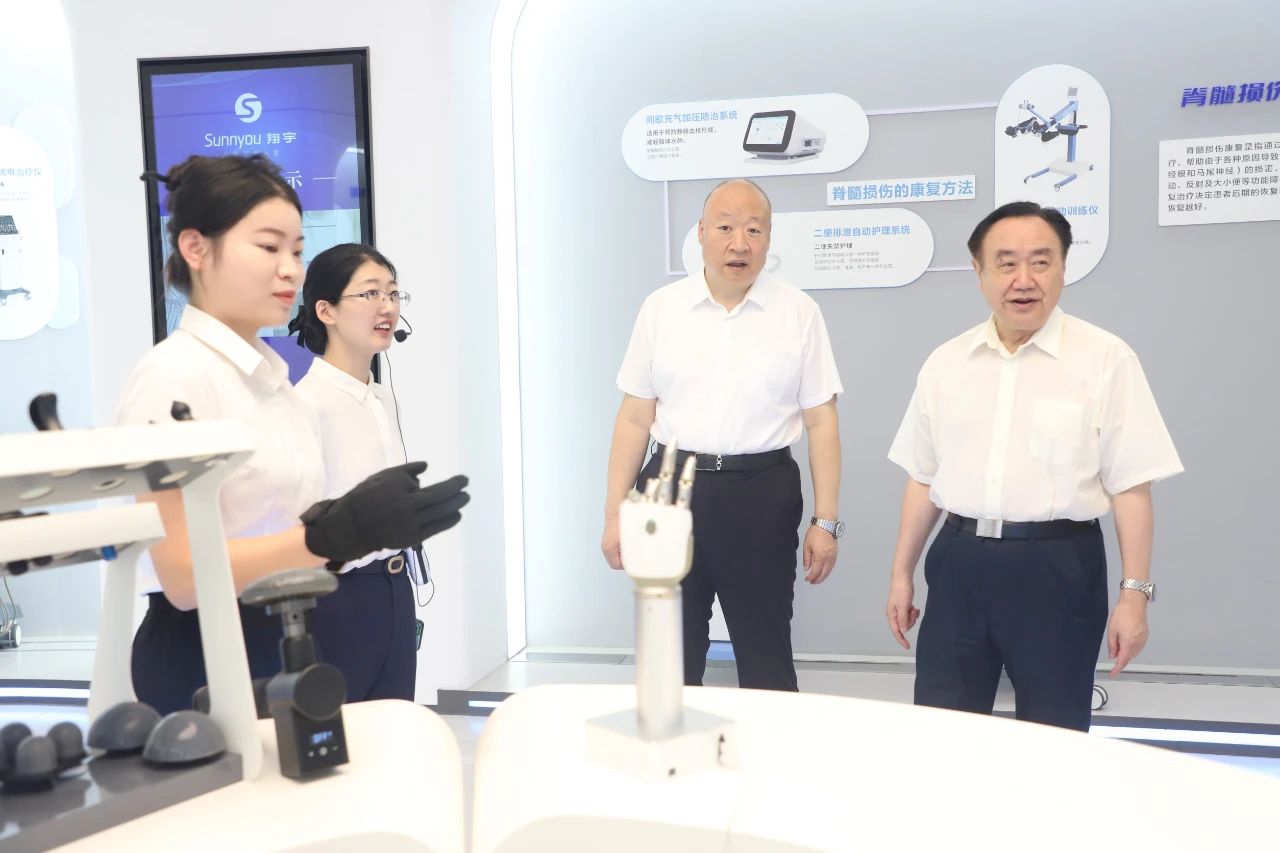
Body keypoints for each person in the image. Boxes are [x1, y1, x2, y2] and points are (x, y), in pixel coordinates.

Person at [118, 154, 468, 714]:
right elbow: (180, 577)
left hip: (288, 634)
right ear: (196, 248)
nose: (290, 270)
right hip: (205, 655)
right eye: (268, 247)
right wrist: (333, 536)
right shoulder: (175, 376)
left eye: (297, 251)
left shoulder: (272, 381)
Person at [885, 200, 1183, 731]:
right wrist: (901, 574)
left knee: (1054, 731)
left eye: (1041, 262)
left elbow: (1132, 487)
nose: (1023, 280)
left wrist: (1134, 597)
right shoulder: (946, 363)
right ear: (979, 272)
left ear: (1063, 267)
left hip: (1057, 567)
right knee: (942, 728)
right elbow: (923, 476)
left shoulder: (1106, 358)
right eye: (1005, 263)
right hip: (958, 563)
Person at [602, 178, 843, 692]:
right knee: (668, 653)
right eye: (726, 228)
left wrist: (826, 521)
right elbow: (634, 417)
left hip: (761, 494)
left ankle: (771, 743)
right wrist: (613, 513)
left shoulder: (798, 312)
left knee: (765, 652)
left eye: (754, 230)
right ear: (701, 232)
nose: (740, 244)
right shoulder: (662, 308)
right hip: (669, 490)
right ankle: (669, 741)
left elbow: (821, 420)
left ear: (769, 237)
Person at [289, 243, 425, 701]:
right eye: (370, 294)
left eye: (393, 293)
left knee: (394, 723)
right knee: (343, 729)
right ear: (325, 310)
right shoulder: (305, 404)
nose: (387, 307)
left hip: (395, 587)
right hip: (337, 598)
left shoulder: (383, 397)